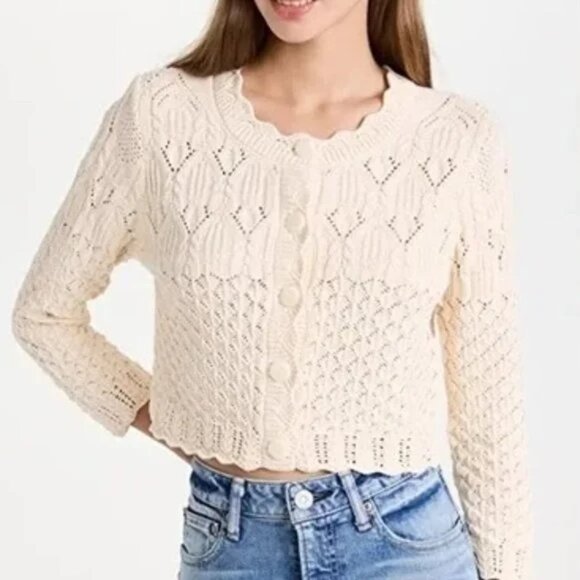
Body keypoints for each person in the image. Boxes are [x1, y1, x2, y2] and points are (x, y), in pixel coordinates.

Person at [11, 0, 535, 578]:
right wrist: (182, 419)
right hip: (232, 542)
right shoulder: (161, 116)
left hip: (404, 543)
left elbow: (487, 400)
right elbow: (45, 315)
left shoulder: (457, 140)